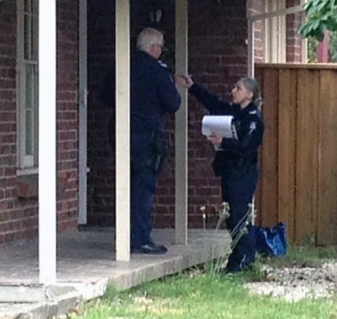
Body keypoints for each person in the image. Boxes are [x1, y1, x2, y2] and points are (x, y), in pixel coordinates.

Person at [102, 28, 181, 254]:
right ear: (154, 48)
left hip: (120, 132)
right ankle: (140, 238)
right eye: (161, 48)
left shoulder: (121, 65)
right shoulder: (157, 71)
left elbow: (105, 96)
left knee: (123, 184)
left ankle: (123, 235)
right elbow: (173, 102)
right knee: (143, 187)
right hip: (146, 137)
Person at [175, 74, 264, 272]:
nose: (233, 91)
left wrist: (224, 142)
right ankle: (238, 256)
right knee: (231, 216)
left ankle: (244, 260)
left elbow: (246, 147)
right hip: (229, 170)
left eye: (238, 88)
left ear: (249, 94)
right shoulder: (234, 112)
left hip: (243, 173)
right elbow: (214, 104)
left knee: (239, 216)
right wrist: (193, 87)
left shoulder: (253, 120)